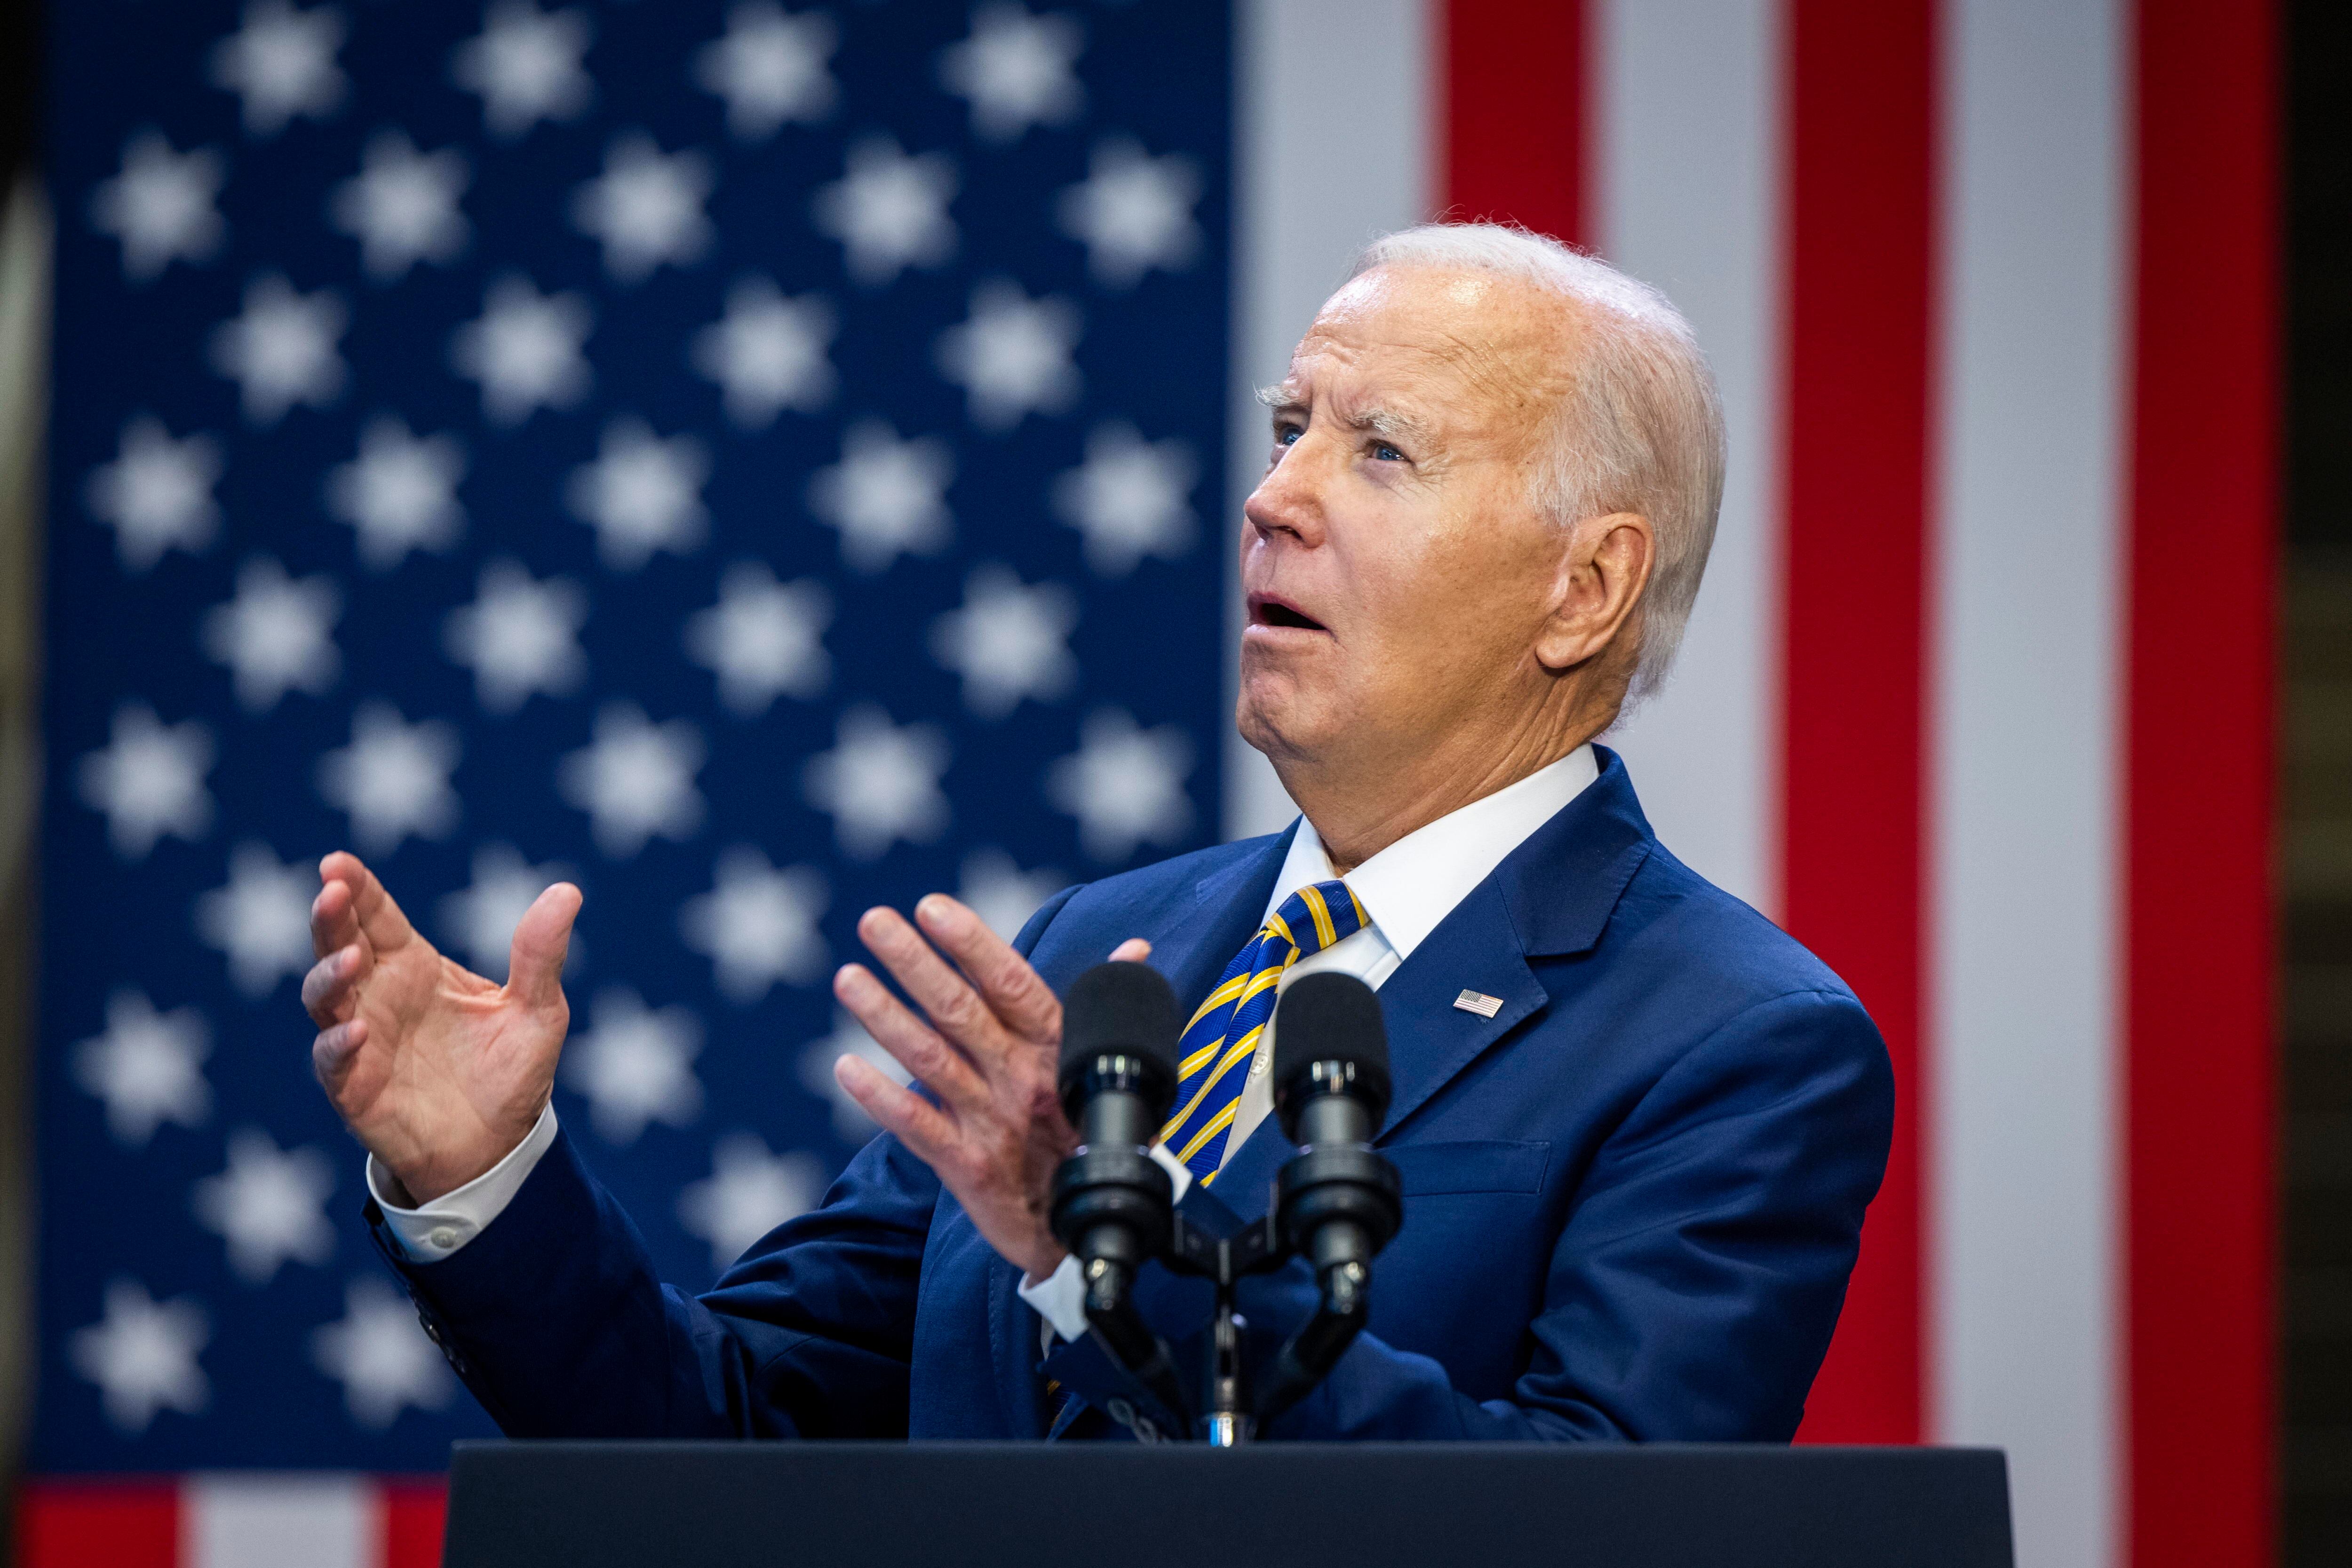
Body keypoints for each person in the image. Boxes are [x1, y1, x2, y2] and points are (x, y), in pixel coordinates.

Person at [300, 222, 1892, 1442]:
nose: (1276, 495)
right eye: (1291, 427)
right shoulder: (1105, 953)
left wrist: (1111, 1256)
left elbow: (1583, 1528)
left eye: (1381, 449)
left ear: (1586, 588)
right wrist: (486, 1178)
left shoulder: (1737, 1046)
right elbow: (733, 1424)